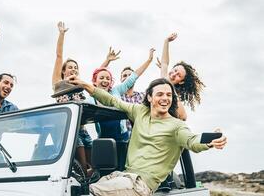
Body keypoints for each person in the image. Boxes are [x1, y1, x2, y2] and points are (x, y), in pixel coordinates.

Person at [69, 77, 227, 196]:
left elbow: (192, 140)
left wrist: (210, 141)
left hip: (141, 184)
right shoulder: (140, 112)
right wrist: (84, 85)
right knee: (74, 187)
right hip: (121, 176)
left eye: (168, 95)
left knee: (87, 193)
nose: (165, 98)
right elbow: (112, 100)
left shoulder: (177, 126)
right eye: (160, 94)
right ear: (150, 97)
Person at [51, 21, 92, 177]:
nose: (73, 69)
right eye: (70, 67)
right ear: (63, 71)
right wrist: (62, 34)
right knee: (82, 166)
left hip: (83, 128)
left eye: (75, 68)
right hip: (69, 129)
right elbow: (59, 56)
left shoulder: (80, 86)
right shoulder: (58, 83)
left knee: (92, 162)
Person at [157, 33, 205, 112]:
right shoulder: (163, 79)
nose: (174, 74)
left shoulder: (173, 95)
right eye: (175, 70)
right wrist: (166, 41)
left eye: (178, 76)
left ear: (181, 82)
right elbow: (165, 63)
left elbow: (183, 116)